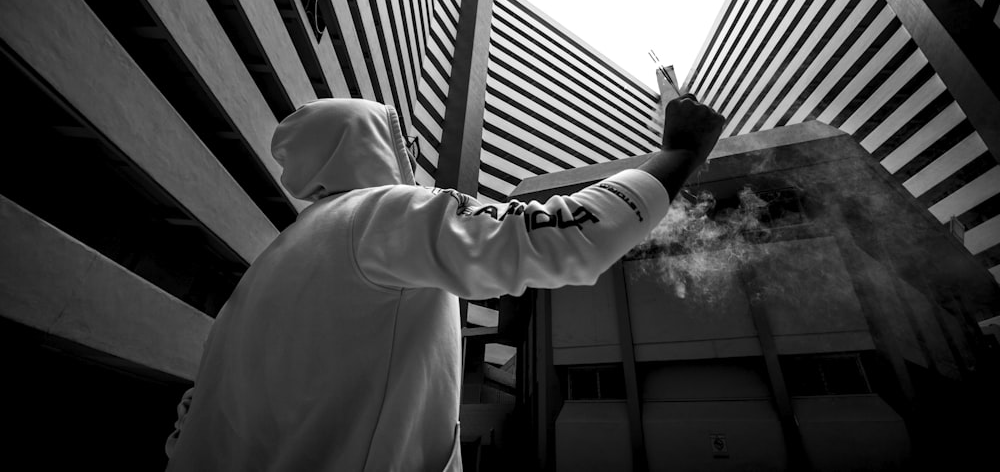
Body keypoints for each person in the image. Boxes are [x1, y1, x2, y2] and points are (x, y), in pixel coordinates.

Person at [165, 94, 724, 471]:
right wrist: (681, 152)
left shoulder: (265, 270)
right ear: (363, 142)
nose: (410, 154)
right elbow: (563, 237)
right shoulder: (378, 214)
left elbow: (189, 427)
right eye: (399, 139)